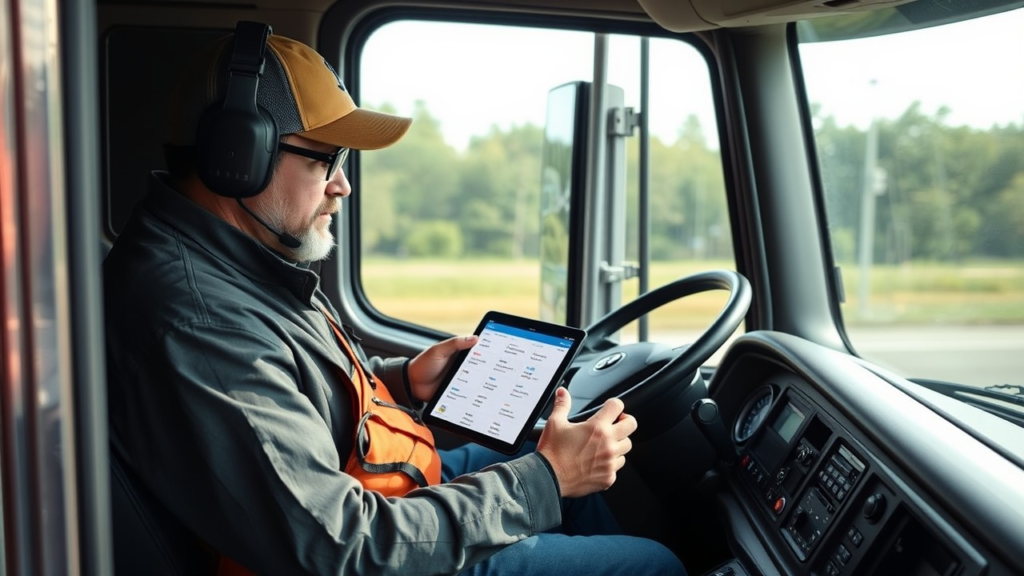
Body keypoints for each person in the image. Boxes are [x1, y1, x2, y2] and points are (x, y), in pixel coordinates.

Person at [104, 21, 686, 576]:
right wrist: (546, 479)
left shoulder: (231, 262)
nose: (342, 184)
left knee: (555, 473)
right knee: (654, 564)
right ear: (237, 158)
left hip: (365, 486)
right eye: (325, 158)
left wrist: (402, 381)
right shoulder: (197, 321)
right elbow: (340, 547)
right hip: (364, 548)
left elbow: (282, 397)